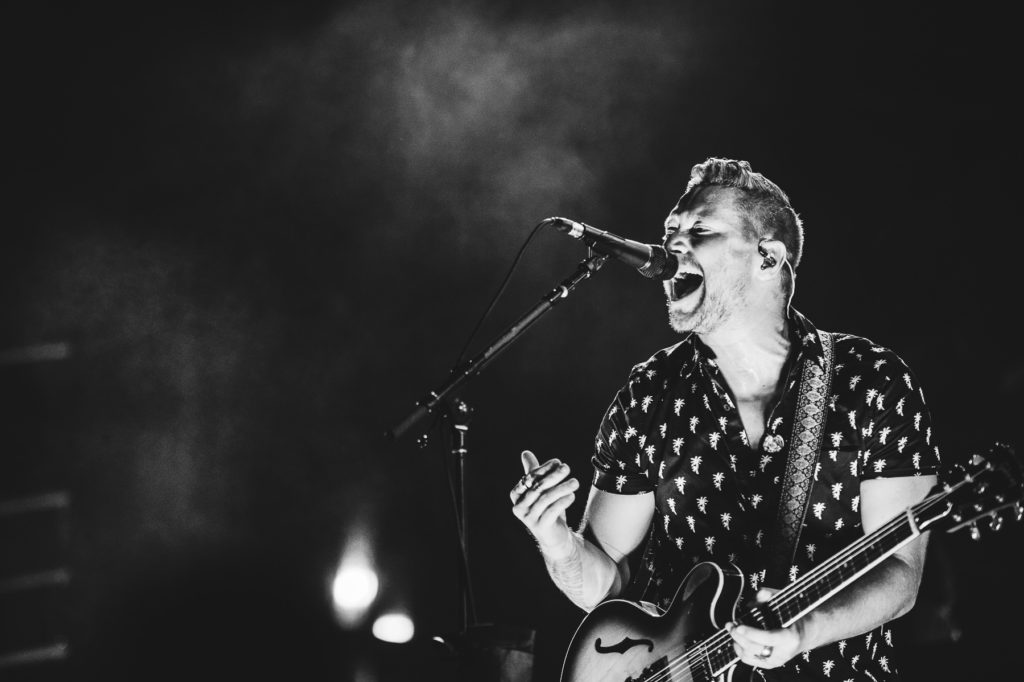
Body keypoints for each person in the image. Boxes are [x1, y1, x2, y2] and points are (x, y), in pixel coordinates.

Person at [509, 158, 941, 681]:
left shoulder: (871, 383)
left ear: (767, 257)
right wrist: (556, 540)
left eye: (700, 231)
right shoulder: (649, 395)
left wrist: (801, 633)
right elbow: (608, 591)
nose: (672, 246)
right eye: (669, 231)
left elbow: (899, 574)